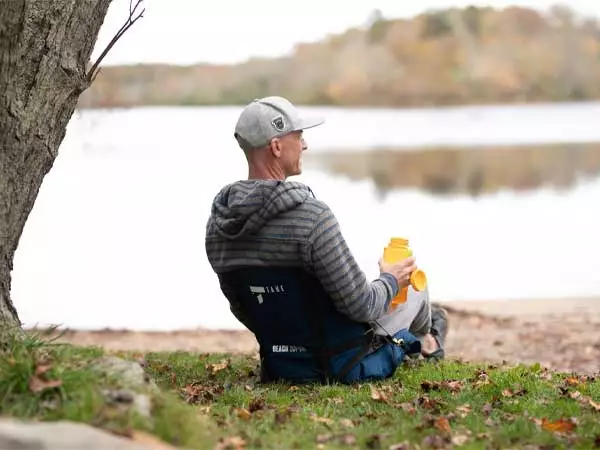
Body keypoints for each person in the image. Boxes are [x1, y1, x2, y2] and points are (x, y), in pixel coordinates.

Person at [205, 96, 449, 384]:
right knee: (414, 285)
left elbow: (242, 307)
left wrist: (288, 335)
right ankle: (427, 343)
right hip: (342, 359)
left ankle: (424, 336)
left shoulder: (219, 226)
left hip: (282, 362)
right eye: (300, 136)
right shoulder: (312, 218)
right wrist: (391, 279)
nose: (305, 145)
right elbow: (362, 307)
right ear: (276, 146)